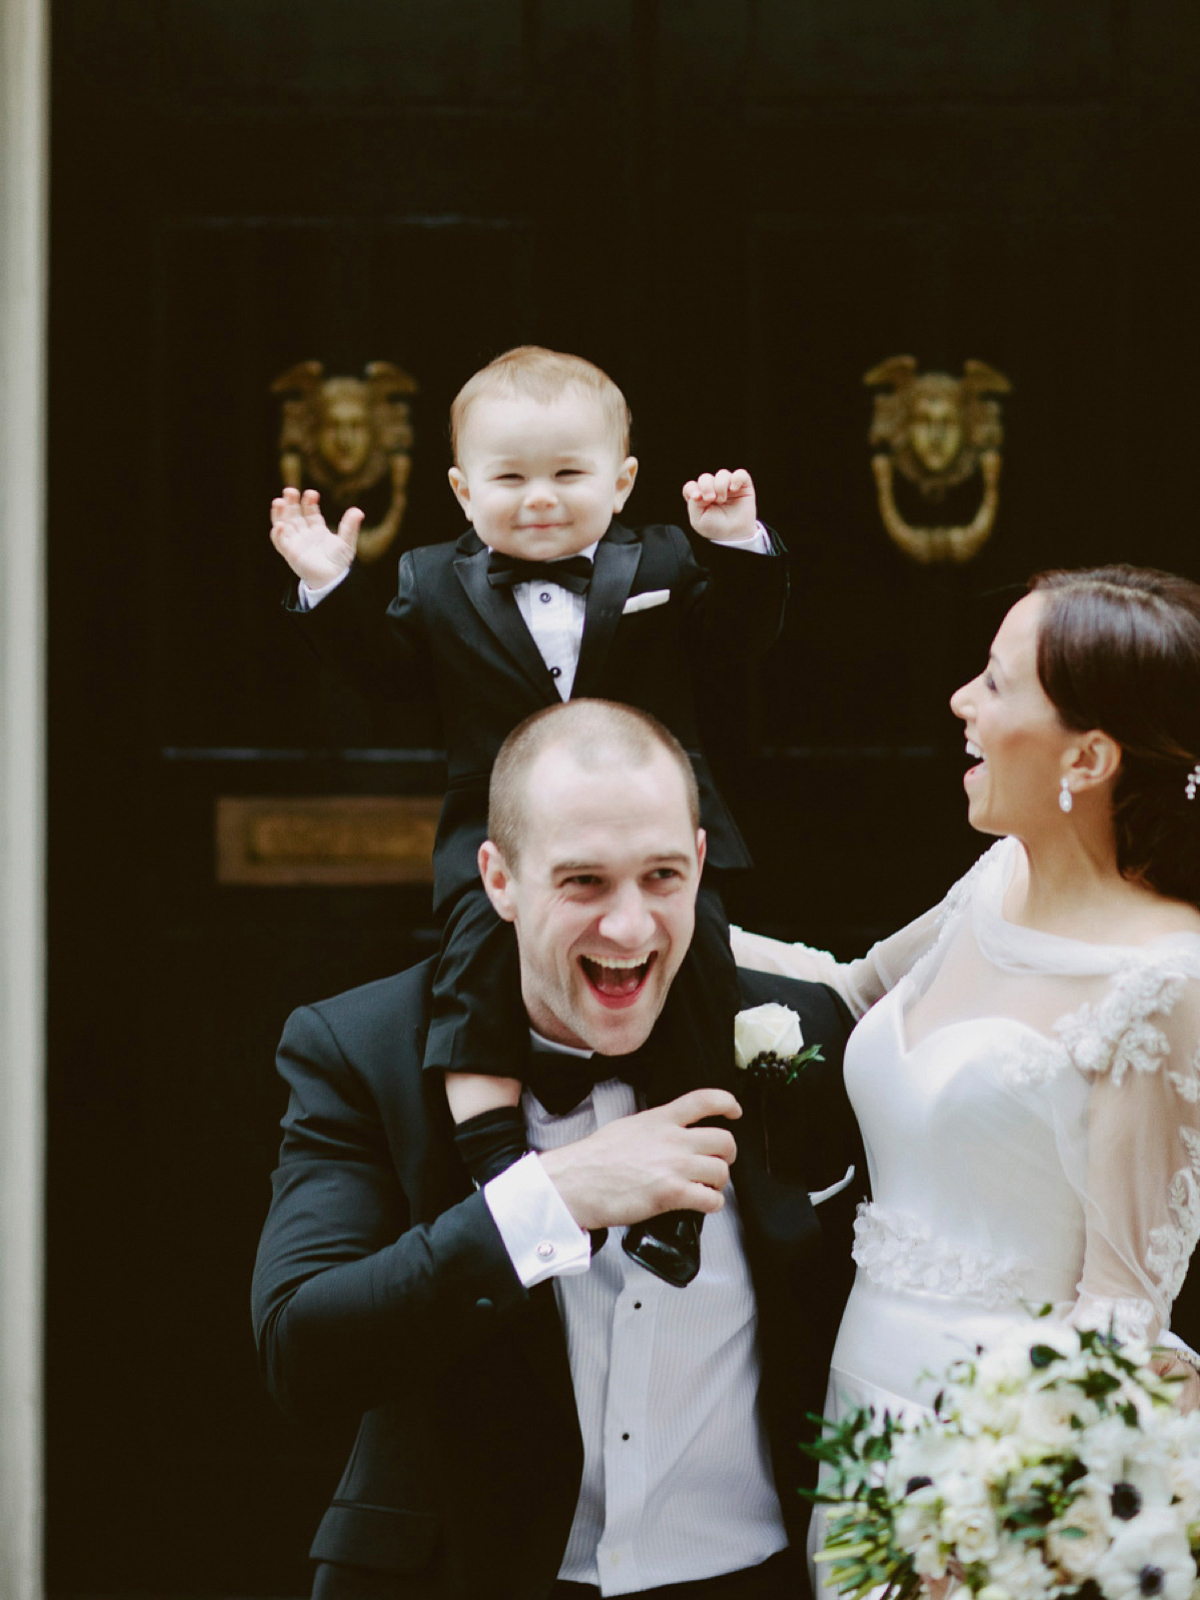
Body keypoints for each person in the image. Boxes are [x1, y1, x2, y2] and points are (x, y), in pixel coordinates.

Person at [251, 699, 866, 1600]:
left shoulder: (799, 1036)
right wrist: (551, 1200)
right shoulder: (362, 1048)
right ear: (497, 878)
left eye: (661, 875)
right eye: (583, 882)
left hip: (753, 1575)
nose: (628, 928)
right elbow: (304, 1355)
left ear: (700, 861)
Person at [268, 345, 789, 1286]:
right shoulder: (431, 581)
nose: (539, 497)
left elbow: (740, 641)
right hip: (496, 829)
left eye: (567, 474)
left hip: (656, 823)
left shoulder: (665, 559)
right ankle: (502, 1172)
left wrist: (737, 546)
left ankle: (682, 1202)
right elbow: (384, 679)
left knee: (705, 974)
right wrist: (331, 589)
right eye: (510, 478)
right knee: (472, 975)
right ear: (463, 491)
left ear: (623, 482)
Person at [731, 564, 1200, 1585]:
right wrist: (658, 912)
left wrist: (1010, 1514)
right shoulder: (997, 879)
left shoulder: (1166, 981)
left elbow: (1121, 1310)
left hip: (997, 1475)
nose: (961, 703)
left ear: (1089, 753)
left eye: (995, 682)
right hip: (862, 1409)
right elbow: (847, 989)